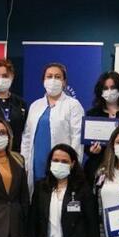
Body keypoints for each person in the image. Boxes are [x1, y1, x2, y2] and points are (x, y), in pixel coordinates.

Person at [20, 62, 84, 190]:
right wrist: (25, 165)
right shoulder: (35, 106)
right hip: (36, 166)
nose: (53, 80)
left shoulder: (73, 105)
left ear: (64, 82)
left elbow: (77, 138)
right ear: (43, 80)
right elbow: (27, 138)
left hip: (61, 167)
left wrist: (72, 166)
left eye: (57, 76)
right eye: (49, 76)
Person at [83, 71, 119, 181]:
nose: (109, 91)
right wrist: (92, 150)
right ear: (100, 91)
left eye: (113, 87)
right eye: (105, 88)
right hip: (96, 167)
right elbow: (86, 147)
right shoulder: (92, 114)